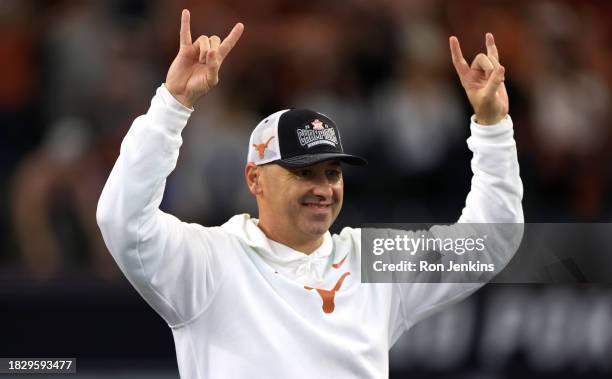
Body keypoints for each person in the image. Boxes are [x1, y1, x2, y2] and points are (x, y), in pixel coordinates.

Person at [96, 9, 523, 379]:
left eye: (332, 172)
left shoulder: (368, 261)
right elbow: (123, 219)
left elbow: (490, 242)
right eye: (303, 172)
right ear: (254, 179)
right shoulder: (209, 262)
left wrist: (492, 126)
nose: (323, 188)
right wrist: (172, 106)